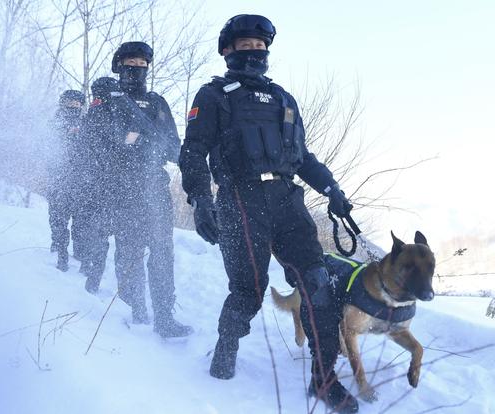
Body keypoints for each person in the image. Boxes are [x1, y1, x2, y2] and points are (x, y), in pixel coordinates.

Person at [179, 15, 358, 413]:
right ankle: (226, 349)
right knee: (249, 290)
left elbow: (304, 157)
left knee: (318, 284)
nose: (255, 53)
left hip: (287, 198)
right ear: (228, 50)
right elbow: (192, 152)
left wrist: (333, 190)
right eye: (246, 46)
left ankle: (323, 378)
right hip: (240, 199)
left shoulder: (283, 99)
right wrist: (200, 199)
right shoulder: (212, 96)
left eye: (261, 47)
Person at [81, 41, 192, 338]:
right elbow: (92, 140)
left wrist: (140, 142)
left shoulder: (157, 102)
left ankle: (165, 317)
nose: (137, 68)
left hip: (154, 187)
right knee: (129, 252)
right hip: (118, 188)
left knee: (162, 253)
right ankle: (137, 309)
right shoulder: (106, 99)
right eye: (131, 62)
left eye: (143, 64)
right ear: (119, 65)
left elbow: (173, 146)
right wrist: (128, 140)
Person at [47, 90, 84, 272]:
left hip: (80, 178)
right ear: (64, 103)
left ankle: (78, 251)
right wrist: (65, 134)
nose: (74, 105)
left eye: (78, 103)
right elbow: (47, 143)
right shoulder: (55, 122)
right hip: (58, 176)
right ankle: (58, 247)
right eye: (71, 102)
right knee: (58, 216)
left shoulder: (85, 122)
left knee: (80, 218)